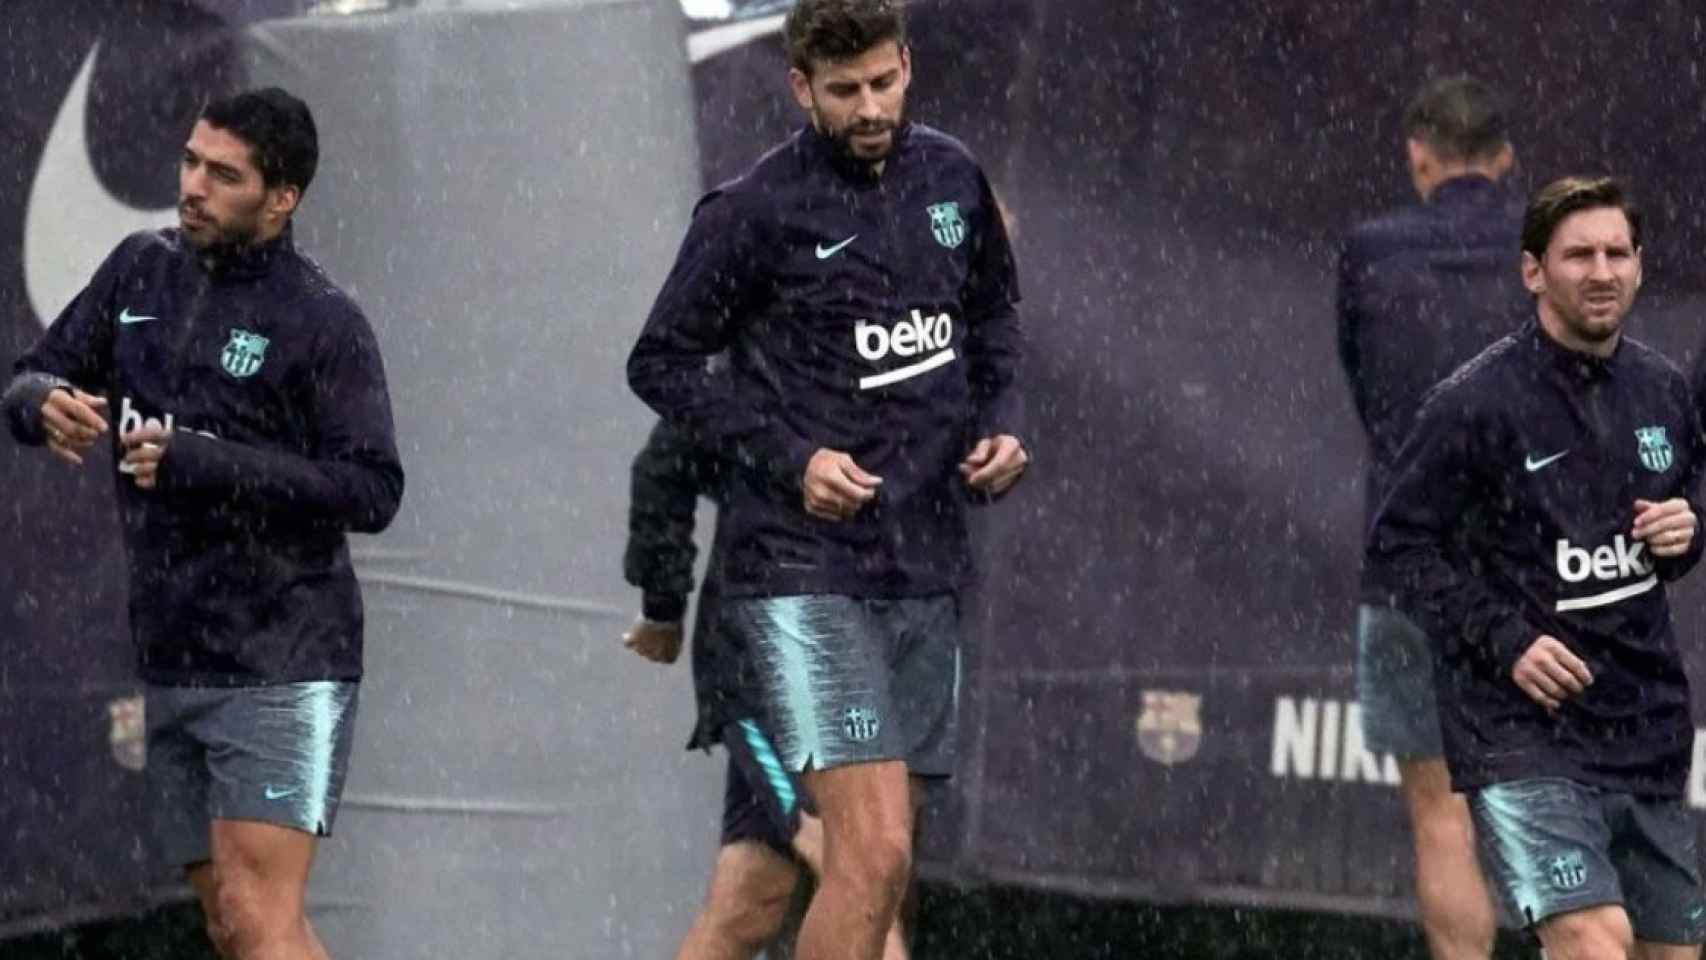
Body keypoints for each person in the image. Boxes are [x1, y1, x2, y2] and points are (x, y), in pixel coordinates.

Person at [626, 0, 1027, 955]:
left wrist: (1002, 425)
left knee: (792, 887)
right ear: (801, 87)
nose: (870, 105)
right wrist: (792, 458)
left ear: (908, 66)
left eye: (884, 81)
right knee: (873, 853)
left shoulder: (953, 178)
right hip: (799, 575)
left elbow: (996, 324)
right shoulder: (755, 211)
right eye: (844, 91)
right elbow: (660, 365)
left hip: (923, 562)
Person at [3, 88, 403, 960]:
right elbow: (31, 375)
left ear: (282, 196)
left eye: (224, 175)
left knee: (262, 918)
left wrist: (202, 460)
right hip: (172, 652)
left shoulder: (323, 321)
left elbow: (373, 490)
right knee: (229, 921)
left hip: (283, 657)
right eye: (190, 161)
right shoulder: (137, 271)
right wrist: (42, 405)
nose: (192, 186)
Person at [1370, 176, 1705, 960]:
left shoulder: (1663, 391)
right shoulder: (1473, 403)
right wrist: (1507, 640)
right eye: (1579, 254)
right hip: (1522, 734)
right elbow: (1399, 547)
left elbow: (1680, 528)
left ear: (1641, 267)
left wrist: (1688, 533)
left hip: (1643, 724)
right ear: (1532, 272)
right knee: (1594, 941)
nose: (1601, 271)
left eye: (1617, 253)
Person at [1336, 74, 1521, 960]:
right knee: (1562, 818)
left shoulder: (1372, 252)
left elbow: (1371, 398)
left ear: (1419, 159)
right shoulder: (1547, 249)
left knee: (1441, 818)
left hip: (1410, 568)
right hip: (1535, 576)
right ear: (1506, 162)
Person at [621, 418, 906, 959]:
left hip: (857, 651)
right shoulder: (756, 364)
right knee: (864, 862)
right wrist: (662, 604)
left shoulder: (918, 364)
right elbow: (665, 465)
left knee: (748, 901)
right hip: (762, 665)